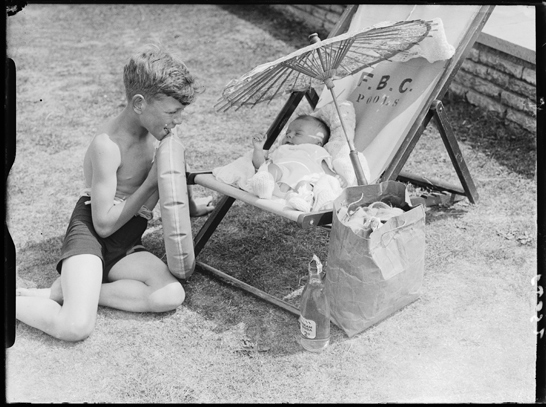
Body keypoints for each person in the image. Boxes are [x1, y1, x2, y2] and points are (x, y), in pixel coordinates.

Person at [15, 45, 214, 342]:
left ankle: (66, 290)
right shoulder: (107, 145)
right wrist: (150, 183)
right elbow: (103, 224)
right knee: (75, 327)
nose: (177, 120)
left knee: (170, 294)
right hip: (92, 237)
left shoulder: (157, 133)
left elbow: (171, 172)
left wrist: (190, 205)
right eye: (172, 112)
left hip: (127, 241)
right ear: (139, 104)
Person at [250, 115, 339, 199]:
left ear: (317, 142)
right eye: (287, 132)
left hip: (303, 181)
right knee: (271, 169)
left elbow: (326, 171)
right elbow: (261, 166)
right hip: (278, 182)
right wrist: (258, 150)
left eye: (298, 134)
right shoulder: (282, 148)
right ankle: (263, 187)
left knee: (304, 185)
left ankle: (300, 201)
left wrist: (337, 179)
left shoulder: (316, 150)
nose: (289, 135)